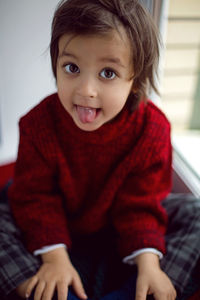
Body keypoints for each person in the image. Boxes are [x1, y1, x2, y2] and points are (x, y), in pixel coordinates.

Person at [3, 0, 180, 299]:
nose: (86, 89)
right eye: (71, 68)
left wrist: (149, 264)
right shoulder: (38, 125)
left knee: (193, 215)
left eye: (107, 73)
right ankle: (49, 286)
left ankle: (145, 285)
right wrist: (55, 259)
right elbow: (35, 198)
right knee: (5, 210)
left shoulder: (152, 131)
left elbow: (142, 204)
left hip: (118, 233)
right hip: (54, 230)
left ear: (135, 81)